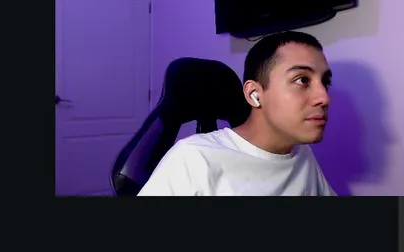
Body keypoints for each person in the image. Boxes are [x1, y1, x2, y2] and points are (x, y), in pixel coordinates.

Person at [139, 31, 336, 196]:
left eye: (325, 83)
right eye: (302, 80)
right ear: (254, 94)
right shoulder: (194, 159)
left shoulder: (301, 154)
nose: (324, 98)